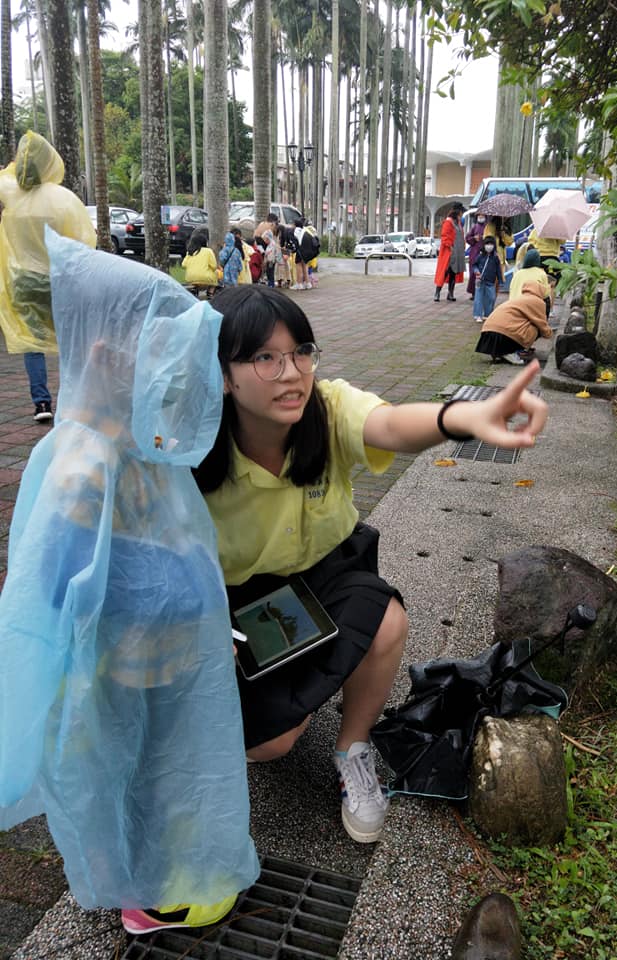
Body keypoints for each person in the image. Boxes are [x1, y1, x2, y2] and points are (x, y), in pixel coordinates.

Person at [193, 285, 547, 844]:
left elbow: (387, 425)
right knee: (273, 743)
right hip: (235, 600)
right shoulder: (194, 448)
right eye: (265, 357)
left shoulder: (327, 408)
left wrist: (464, 416)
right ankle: (290, 707)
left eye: (301, 351)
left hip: (323, 572)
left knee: (386, 621)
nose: (292, 373)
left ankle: (352, 748)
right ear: (221, 370)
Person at [0, 231, 259, 933]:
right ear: (105, 356)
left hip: (163, 656)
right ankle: (139, 891)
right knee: (125, 768)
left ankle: (161, 862)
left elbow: (167, 539)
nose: (173, 381)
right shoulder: (83, 464)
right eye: (160, 361)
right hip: (117, 666)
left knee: (163, 763)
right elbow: (55, 585)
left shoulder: (130, 440)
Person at [0, 131, 96, 422]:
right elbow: (83, 242)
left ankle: (42, 404)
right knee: (69, 341)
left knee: (32, 342)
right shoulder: (63, 199)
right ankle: (72, 402)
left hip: (22, 281)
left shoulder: (9, 191)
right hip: (58, 280)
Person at [475, 279, 552, 365]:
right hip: (503, 334)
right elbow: (541, 323)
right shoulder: (537, 301)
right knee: (535, 328)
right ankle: (509, 351)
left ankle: (500, 351)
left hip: (488, 332)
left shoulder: (520, 298)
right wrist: (549, 335)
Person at [433, 202, 466, 302]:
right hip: (450, 252)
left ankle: (450, 294)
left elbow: (461, 236)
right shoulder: (448, 222)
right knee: (445, 272)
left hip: (458, 252)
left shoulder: (459, 223)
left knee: (453, 273)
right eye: (461, 212)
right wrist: (449, 246)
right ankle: (437, 293)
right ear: (457, 212)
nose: (462, 214)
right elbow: (445, 236)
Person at [508, 248, 552, 317]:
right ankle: (543, 322)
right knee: (547, 299)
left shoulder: (518, 273)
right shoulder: (541, 273)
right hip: (529, 307)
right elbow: (545, 294)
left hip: (512, 305)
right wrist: (550, 286)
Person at [472, 234, 504, 324]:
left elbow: (498, 270)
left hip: (491, 281)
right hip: (480, 280)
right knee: (478, 298)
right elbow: (474, 265)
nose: (489, 246)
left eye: (491, 244)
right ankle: (478, 315)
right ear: (484, 245)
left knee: (491, 297)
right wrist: (476, 271)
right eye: (487, 244)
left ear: (494, 246)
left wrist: (501, 281)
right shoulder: (480, 256)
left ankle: (487, 314)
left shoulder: (495, 258)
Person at [465, 215, 487, 299]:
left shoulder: (487, 227)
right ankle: (474, 293)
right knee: (474, 273)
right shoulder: (474, 227)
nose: (481, 217)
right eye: (479, 216)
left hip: (484, 252)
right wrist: (474, 238)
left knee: (484, 272)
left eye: (482, 216)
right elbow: (467, 238)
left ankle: (483, 292)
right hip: (474, 253)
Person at [292, 218, 310, 290]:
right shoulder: (304, 230)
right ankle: (307, 283)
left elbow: (295, 242)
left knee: (298, 266)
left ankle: (299, 284)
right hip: (306, 250)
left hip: (300, 250)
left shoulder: (296, 231)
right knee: (305, 266)